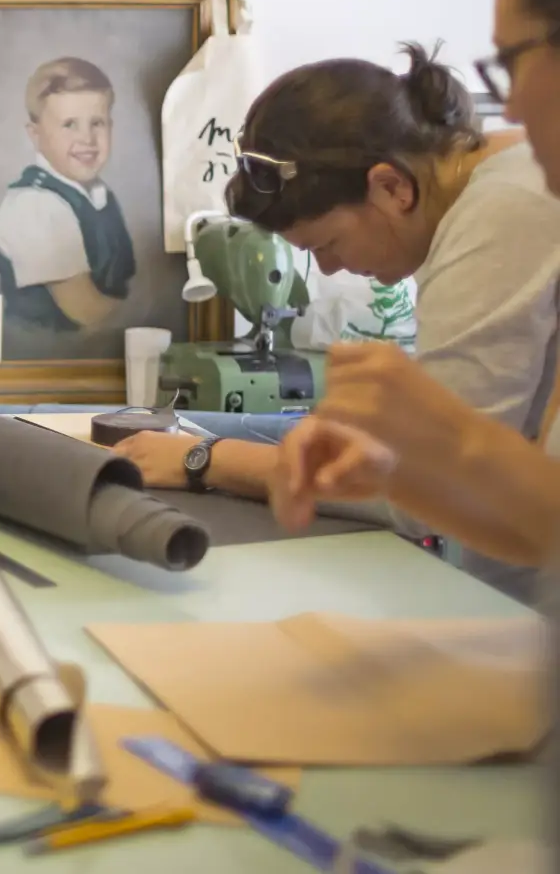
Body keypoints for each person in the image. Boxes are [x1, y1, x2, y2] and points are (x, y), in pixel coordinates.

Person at [113, 43, 560, 601]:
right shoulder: (498, 178)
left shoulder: (499, 215)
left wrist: (205, 460)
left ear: (391, 187)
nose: (327, 267)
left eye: (326, 244)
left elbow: (433, 486)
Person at [272, 0, 560, 547]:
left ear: (392, 188)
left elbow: (463, 507)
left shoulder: (506, 206)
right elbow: (539, 528)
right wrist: (405, 461)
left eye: (513, 62)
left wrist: (205, 461)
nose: (511, 106)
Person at [0, 57, 136, 334]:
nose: (87, 139)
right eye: (70, 124)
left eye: (97, 123)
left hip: (98, 349)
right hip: (50, 348)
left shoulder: (98, 194)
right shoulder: (33, 205)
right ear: (35, 135)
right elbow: (87, 312)